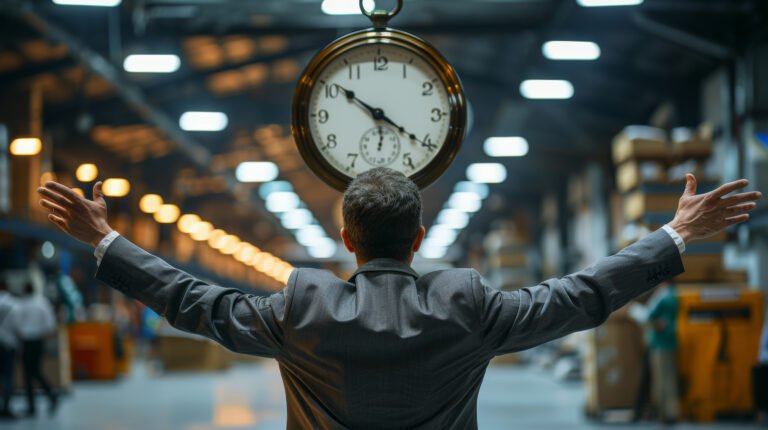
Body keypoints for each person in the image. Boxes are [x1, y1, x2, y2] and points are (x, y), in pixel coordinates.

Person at [36, 169, 761, 429]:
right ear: (418, 239)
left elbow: (193, 301)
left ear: (346, 239)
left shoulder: (303, 308)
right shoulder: (467, 305)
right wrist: (673, 235)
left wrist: (106, 242)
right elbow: (583, 295)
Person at [14, 282, 58, 416]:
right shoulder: (42, 303)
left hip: (26, 342)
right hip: (38, 341)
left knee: (28, 374)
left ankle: (33, 405)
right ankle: (49, 396)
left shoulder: (20, 304)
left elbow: (16, 324)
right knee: (36, 371)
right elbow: (50, 325)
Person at [646, 283, 679, 424]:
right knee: (671, 379)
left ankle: (663, 413)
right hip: (671, 342)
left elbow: (649, 315)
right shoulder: (675, 296)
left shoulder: (661, 297)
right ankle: (672, 412)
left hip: (660, 343)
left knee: (661, 379)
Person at [0, 279, 19, 420]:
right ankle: (6, 407)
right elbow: (18, 326)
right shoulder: (13, 304)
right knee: (7, 377)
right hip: (8, 344)